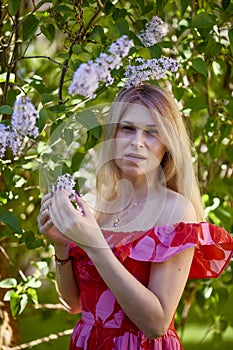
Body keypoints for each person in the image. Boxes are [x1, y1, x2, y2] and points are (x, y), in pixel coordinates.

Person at [37, 84, 233, 350]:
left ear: (168, 145)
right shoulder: (96, 204)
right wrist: (60, 247)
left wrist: (95, 245)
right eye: (127, 128)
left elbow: (155, 325)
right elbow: (74, 304)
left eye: (152, 133)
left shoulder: (174, 211)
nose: (137, 142)